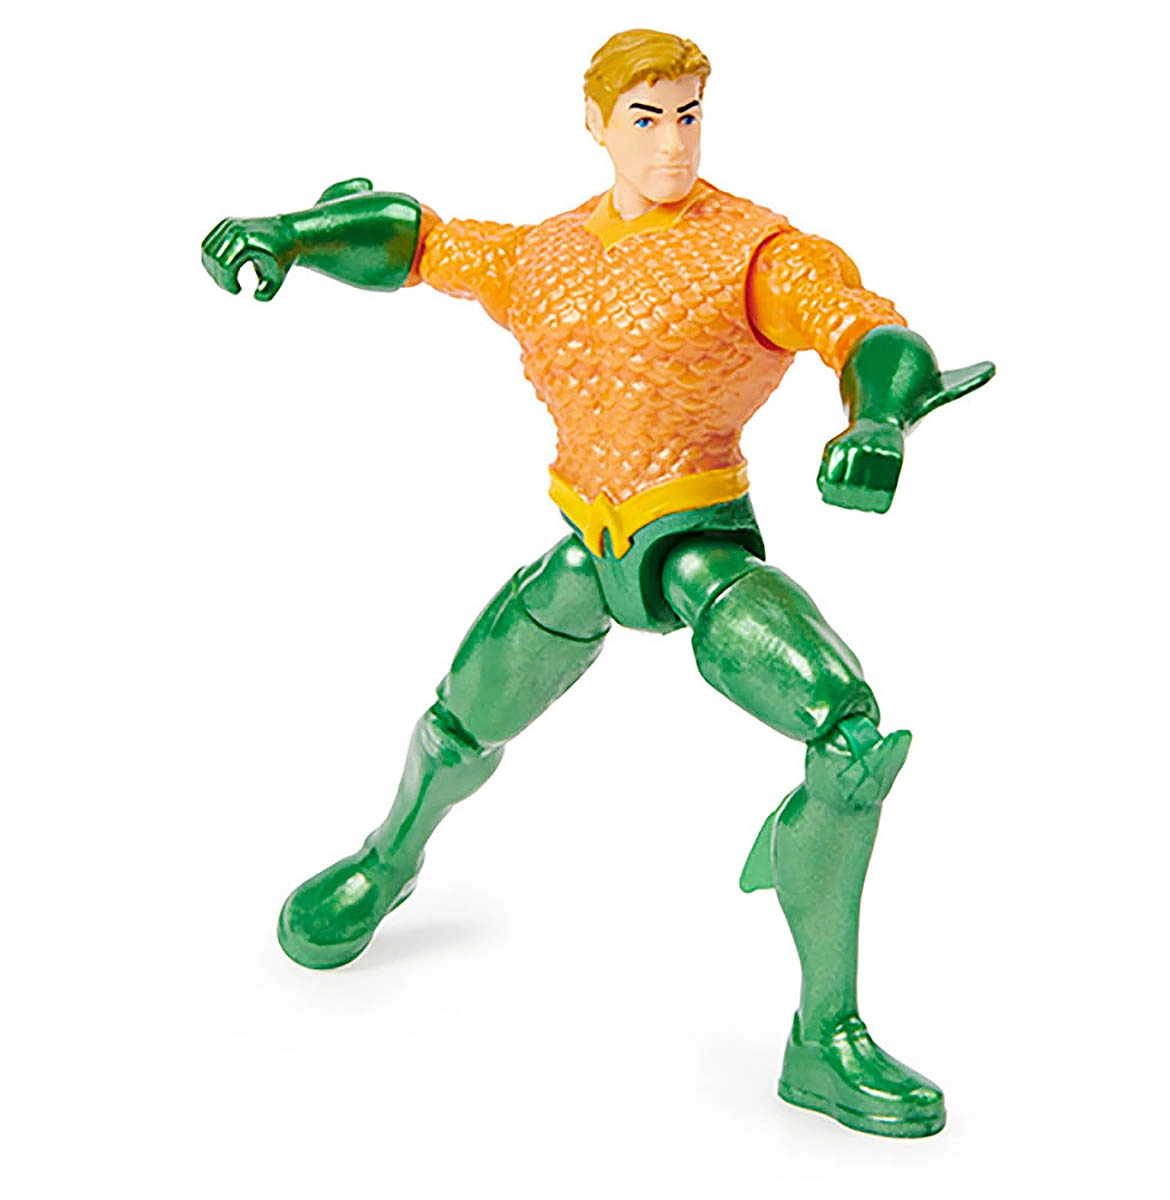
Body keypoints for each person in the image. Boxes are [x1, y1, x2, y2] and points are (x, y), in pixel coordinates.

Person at [200, 28, 993, 1138]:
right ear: (596, 125)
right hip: (585, 548)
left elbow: (867, 328)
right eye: (646, 118)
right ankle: (387, 861)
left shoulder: (753, 252)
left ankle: (825, 1036)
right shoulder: (549, 254)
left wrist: (881, 419)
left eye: (689, 115)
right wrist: (296, 234)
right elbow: (422, 240)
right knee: (455, 724)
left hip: (696, 551)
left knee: (849, 738)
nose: (673, 142)